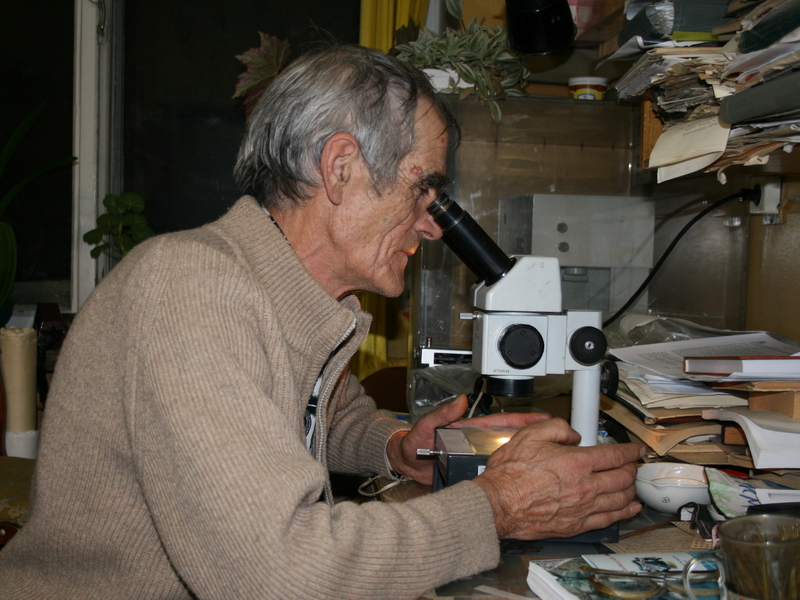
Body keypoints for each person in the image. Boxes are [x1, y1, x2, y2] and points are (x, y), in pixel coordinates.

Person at [0, 45, 643, 599]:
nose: (431, 225)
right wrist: (497, 507)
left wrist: (397, 447)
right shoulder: (191, 289)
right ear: (340, 168)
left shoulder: (296, 300)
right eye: (422, 189)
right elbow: (277, 572)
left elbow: (321, 418)